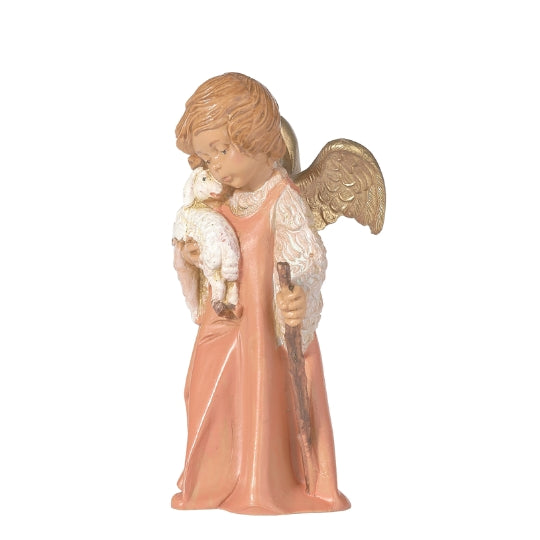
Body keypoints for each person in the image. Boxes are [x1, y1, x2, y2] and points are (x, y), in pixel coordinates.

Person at [171, 72, 350, 515]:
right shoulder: (221, 198)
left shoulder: (281, 199)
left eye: (222, 150)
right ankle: (211, 482)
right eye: (206, 157)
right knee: (202, 391)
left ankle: (262, 483)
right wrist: (194, 257)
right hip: (222, 324)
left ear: (255, 138)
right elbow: (209, 244)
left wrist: (297, 293)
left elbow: (306, 258)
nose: (214, 166)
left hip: (262, 336)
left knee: (258, 403)